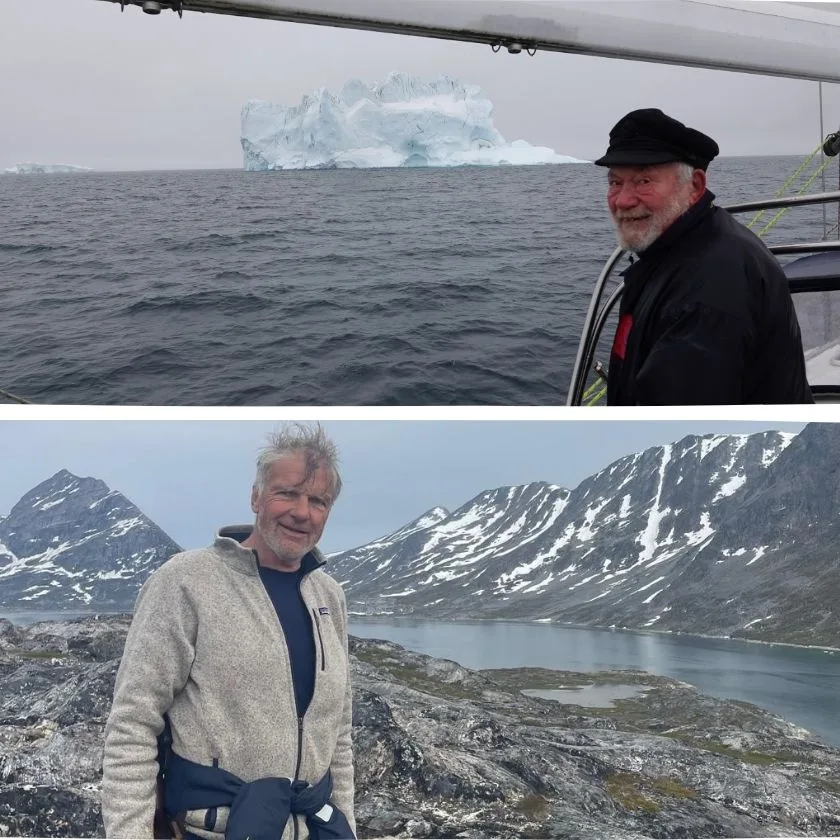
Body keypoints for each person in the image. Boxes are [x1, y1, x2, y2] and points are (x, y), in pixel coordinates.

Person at [101, 423, 355, 840]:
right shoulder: (186, 582)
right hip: (212, 831)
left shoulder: (329, 595)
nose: (302, 512)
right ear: (256, 496)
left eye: (318, 501)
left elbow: (339, 734)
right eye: (287, 492)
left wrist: (346, 823)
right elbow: (133, 722)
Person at [595, 107, 813, 405]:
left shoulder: (706, 292)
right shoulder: (685, 248)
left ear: (695, 186)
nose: (623, 200)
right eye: (615, 182)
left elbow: (678, 430)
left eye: (644, 181)